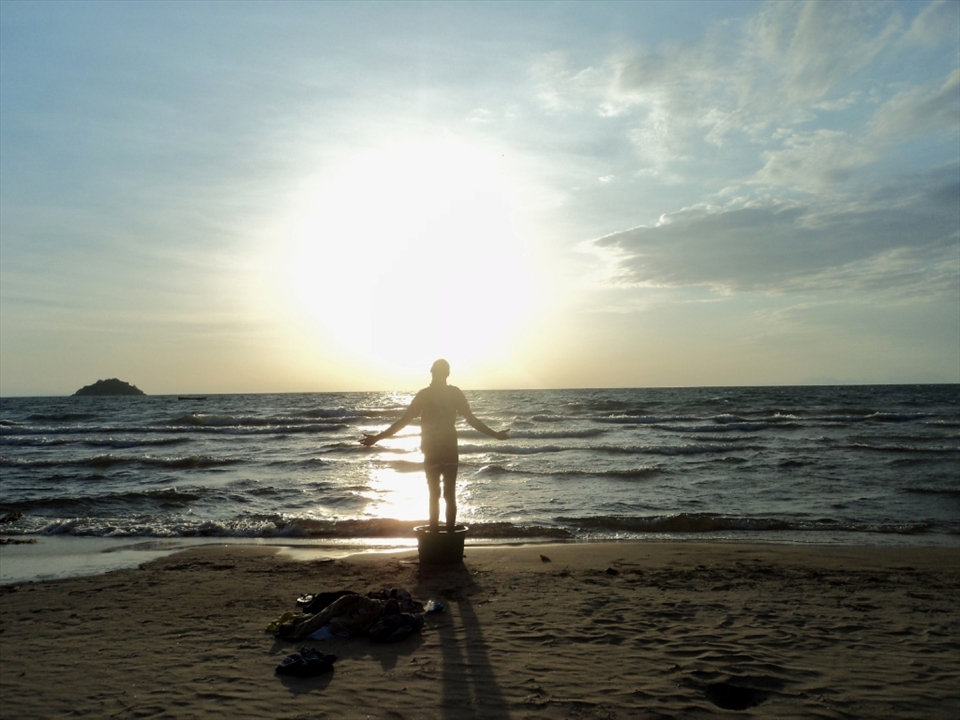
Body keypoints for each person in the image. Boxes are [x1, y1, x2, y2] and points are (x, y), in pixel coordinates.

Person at [361, 359, 509, 531]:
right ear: (446, 373)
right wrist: (495, 434)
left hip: (435, 450)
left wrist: (377, 438)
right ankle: (446, 536)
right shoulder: (451, 393)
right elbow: (471, 420)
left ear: (435, 372)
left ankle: (436, 537)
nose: (434, 376)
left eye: (435, 372)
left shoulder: (427, 394)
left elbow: (404, 421)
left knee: (436, 495)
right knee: (447, 495)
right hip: (444, 450)